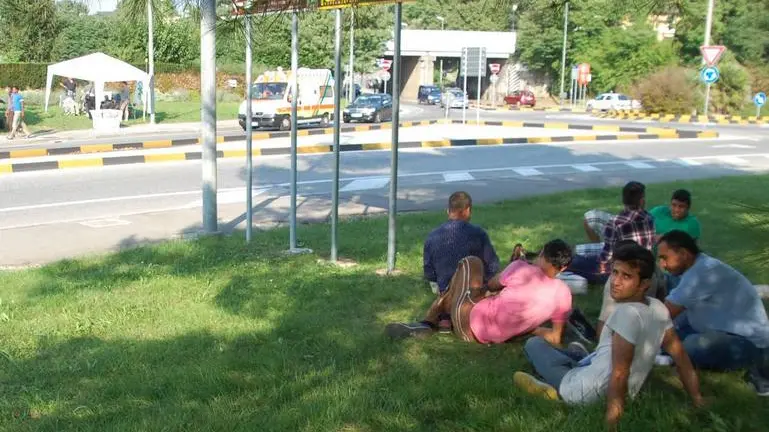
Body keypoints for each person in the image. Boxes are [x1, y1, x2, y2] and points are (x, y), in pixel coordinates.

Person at [514, 242, 704, 428]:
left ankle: (551, 390)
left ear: (644, 284)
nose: (616, 281)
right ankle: (579, 358)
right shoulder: (659, 308)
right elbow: (681, 357)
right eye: (615, 272)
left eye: (627, 276)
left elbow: (619, 374)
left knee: (534, 345)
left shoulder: (626, 315)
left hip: (580, 392)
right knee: (583, 356)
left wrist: (611, 423)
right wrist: (697, 399)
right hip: (606, 379)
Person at [386, 239, 574, 345]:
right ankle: (443, 321)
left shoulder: (522, 269)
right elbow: (555, 337)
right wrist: (530, 328)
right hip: (485, 339)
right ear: (563, 268)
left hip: (467, 319)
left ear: (541, 254)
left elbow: (491, 285)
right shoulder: (564, 294)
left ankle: (430, 321)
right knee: (475, 289)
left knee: (471, 263)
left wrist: (512, 267)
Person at [658, 230, 769, 396]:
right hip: (713, 327)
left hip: (746, 342)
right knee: (673, 333)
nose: (662, 265)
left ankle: (673, 356)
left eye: (664, 258)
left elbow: (664, 312)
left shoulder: (702, 273)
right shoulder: (697, 267)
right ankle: (670, 353)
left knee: (693, 345)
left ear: (683, 254)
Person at [568, 181, 655, 284]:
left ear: (623, 200)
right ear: (641, 201)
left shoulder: (615, 222)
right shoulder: (649, 218)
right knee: (580, 252)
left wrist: (594, 263)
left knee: (571, 261)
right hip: (641, 267)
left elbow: (606, 257)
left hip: (615, 272)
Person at [423, 191, 499, 296]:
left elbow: (429, 272)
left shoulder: (432, 236)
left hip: (445, 293)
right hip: (472, 293)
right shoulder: (478, 233)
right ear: (467, 210)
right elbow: (492, 265)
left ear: (448, 211)